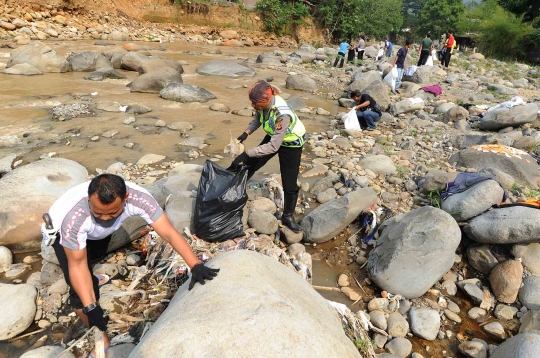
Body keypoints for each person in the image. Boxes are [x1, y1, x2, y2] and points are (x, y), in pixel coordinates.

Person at [46, 174, 219, 358]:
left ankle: (92, 278)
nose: (105, 218)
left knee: (94, 257)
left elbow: (168, 232)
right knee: (81, 295)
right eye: (98, 213)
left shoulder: (139, 199)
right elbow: (77, 265)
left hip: (96, 234)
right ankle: (102, 339)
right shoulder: (74, 218)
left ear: (126, 199)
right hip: (62, 230)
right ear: (89, 201)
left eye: (113, 213)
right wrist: (91, 308)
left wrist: (195, 265)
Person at [230, 80, 306, 233]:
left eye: (255, 103)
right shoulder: (264, 104)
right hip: (275, 136)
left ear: (265, 101)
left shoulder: (282, 115)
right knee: (252, 163)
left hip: (291, 143)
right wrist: (245, 133)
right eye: (252, 102)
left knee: (289, 182)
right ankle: (233, 189)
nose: (253, 106)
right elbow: (258, 119)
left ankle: (288, 216)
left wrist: (245, 153)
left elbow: (273, 147)